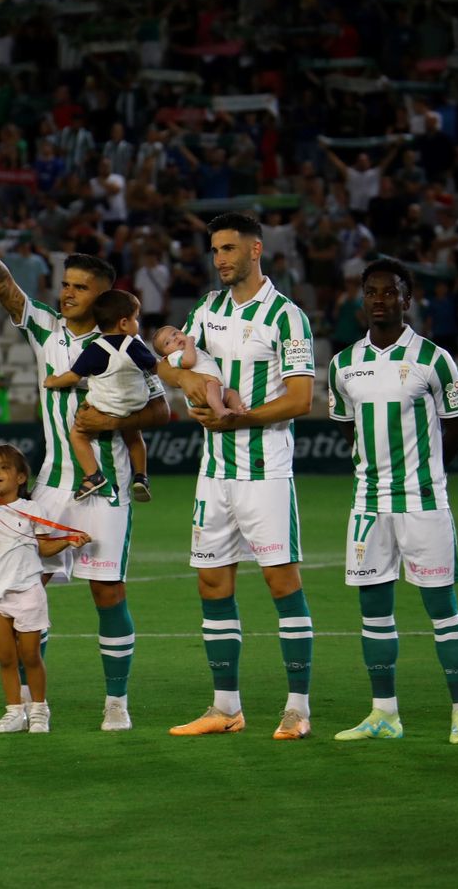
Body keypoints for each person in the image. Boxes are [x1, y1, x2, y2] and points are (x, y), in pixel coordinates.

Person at [0, 185, 170, 731]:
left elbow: (164, 413)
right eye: (65, 285)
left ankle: (116, 704)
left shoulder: (123, 342)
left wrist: (114, 423)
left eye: (79, 288)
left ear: (103, 297)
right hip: (51, 487)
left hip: (106, 486)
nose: (67, 294)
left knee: (107, 591)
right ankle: (28, 706)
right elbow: (3, 286)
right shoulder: (46, 328)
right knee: (26, 589)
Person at [155, 212, 318, 741]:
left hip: (265, 470)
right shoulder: (207, 308)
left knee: (281, 582)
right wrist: (191, 385)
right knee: (211, 582)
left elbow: (301, 399)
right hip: (214, 472)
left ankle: (297, 708)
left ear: (256, 250)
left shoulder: (287, 317)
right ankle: (226, 707)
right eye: (215, 250)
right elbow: (170, 365)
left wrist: (238, 416)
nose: (220, 258)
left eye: (229, 248)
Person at [326, 258, 458, 744]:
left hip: (423, 503)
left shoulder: (434, 359)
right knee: (374, 612)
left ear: (408, 300)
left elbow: (457, 428)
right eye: (370, 292)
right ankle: (384, 714)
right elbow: (348, 430)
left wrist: (426, 472)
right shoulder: (343, 364)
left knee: (442, 609)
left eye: (389, 292)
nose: (378, 300)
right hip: (368, 507)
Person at [0, 444, 90, 734]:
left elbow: (45, 548)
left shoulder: (31, 509)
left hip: (27, 591)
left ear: (20, 478)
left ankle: (39, 710)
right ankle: (14, 713)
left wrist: (69, 541)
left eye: (3, 468)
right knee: (6, 658)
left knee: (31, 656)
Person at [42, 290, 155, 502]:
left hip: (105, 407)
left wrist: (53, 381)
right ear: (123, 323)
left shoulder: (95, 349)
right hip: (134, 406)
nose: (137, 323)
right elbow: (155, 367)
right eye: (135, 318)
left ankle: (93, 475)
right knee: (134, 437)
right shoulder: (135, 346)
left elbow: (73, 377)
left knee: (78, 435)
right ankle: (141, 475)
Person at [151, 325, 245, 418]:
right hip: (203, 389)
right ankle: (220, 410)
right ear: (165, 356)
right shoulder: (174, 356)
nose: (174, 338)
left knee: (231, 393)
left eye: (174, 333)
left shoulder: (190, 349)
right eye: (167, 343)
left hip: (216, 389)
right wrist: (190, 343)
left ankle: (238, 411)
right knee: (213, 386)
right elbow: (189, 362)